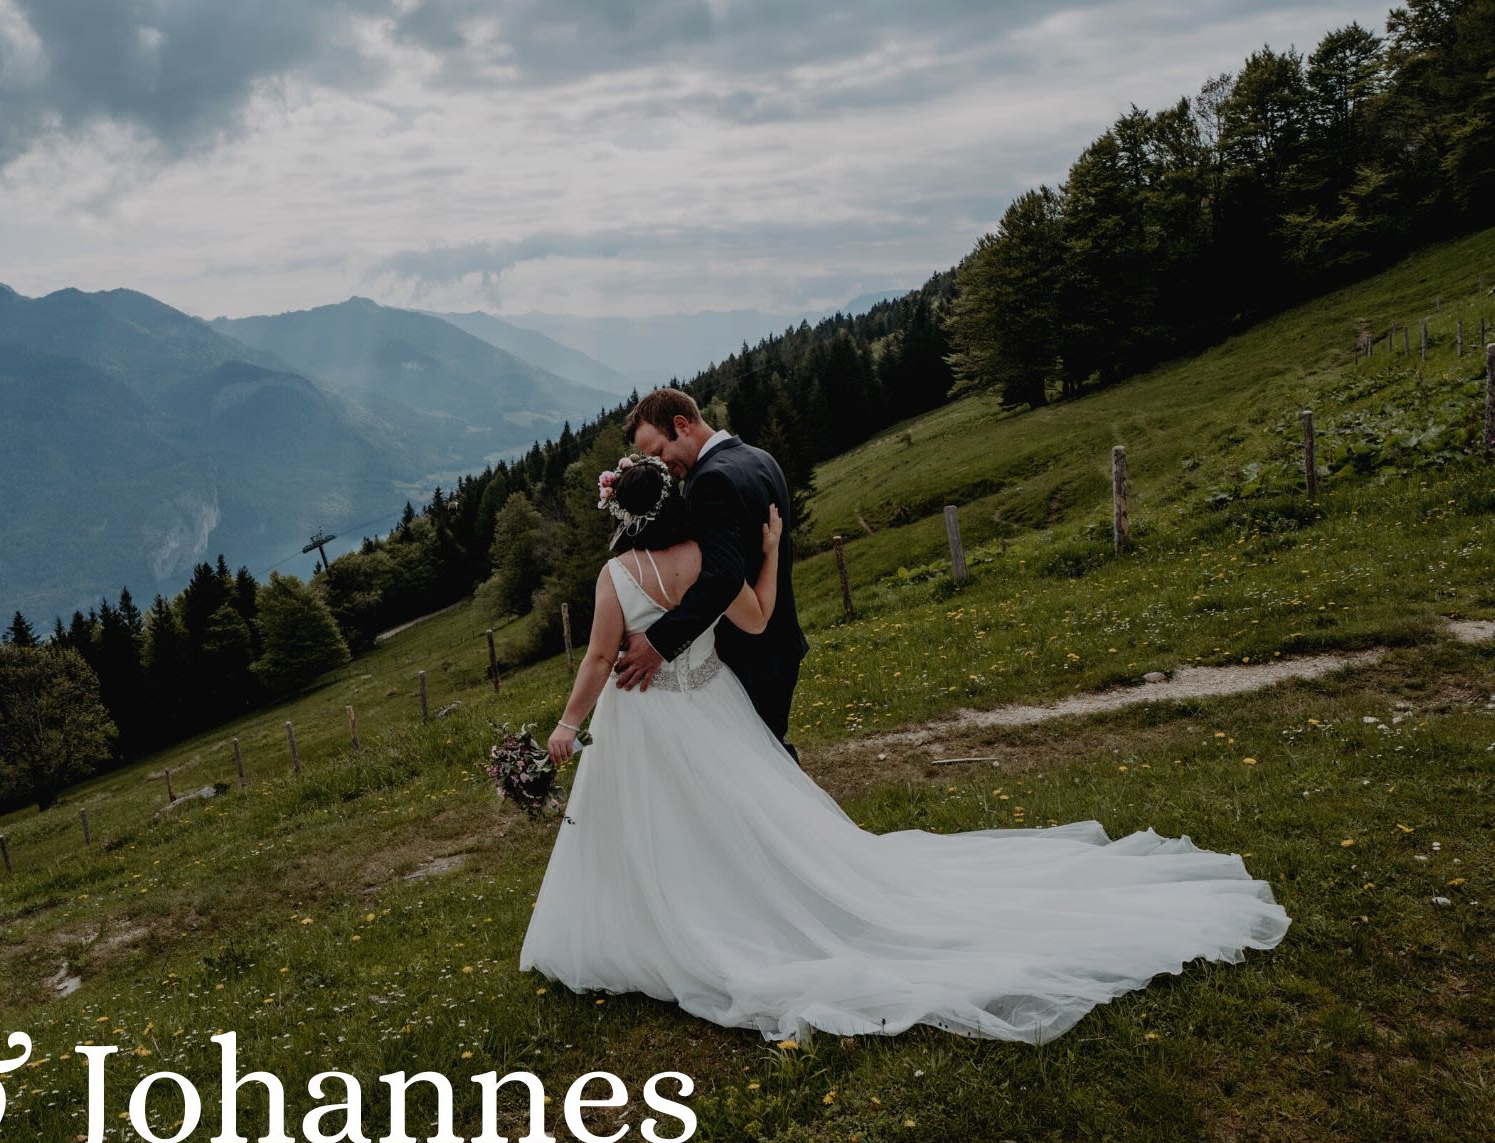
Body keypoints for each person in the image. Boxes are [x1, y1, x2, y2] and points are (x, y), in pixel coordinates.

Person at [519, 440, 1290, 1044]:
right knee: (745, 822)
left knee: (653, 826)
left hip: (645, 718)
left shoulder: (616, 576)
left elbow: (596, 658)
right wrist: (772, 551)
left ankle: (662, 930)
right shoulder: (704, 563)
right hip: (712, 706)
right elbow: (754, 618)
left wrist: (565, 726)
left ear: (623, 517)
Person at [611, 388, 807, 758]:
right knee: (769, 753)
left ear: (681, 425)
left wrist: (657, 644)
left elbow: (722, 578)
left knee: (757, 765)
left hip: (748, 652)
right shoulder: (759, 457)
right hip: (781, 642)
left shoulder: (708, 482)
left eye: (658, 453)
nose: (660, 464)